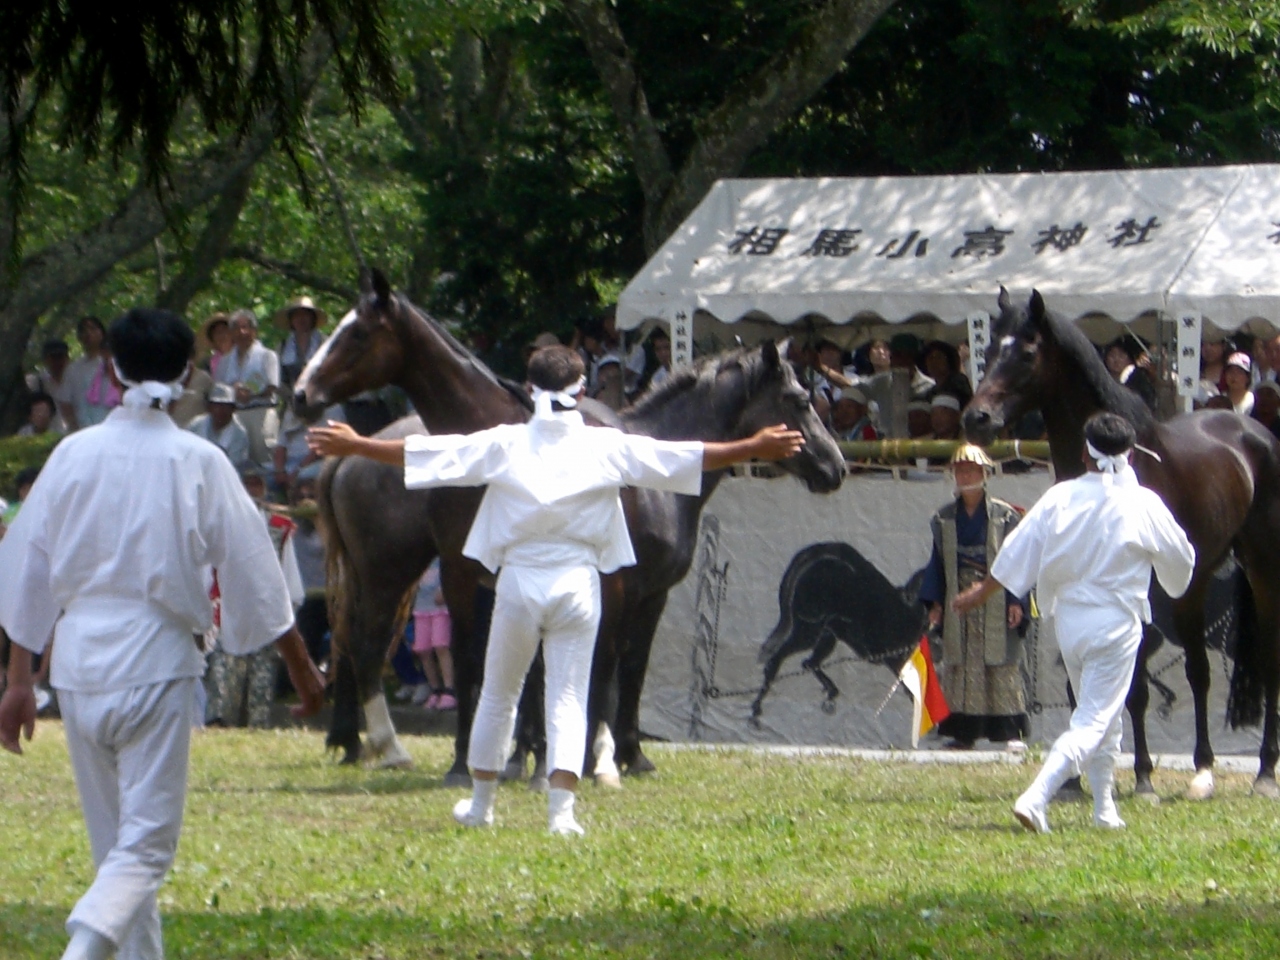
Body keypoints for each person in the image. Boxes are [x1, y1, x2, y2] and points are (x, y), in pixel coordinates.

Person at [307, 344, 804, 836]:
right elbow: (683, 456)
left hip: (520, 583)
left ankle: (481, 805)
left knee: (499, 695)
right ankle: (562, 814)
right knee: (568, 697)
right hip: (579, 586)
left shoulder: (506, 442)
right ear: (582, 391)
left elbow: (431, 454)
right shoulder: (604, 444)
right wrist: (753, 447)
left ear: (529, 390)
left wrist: (355, 445)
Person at [0, 307, 324, 960]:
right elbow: (254, 572)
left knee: (117, 848)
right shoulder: (197, 458)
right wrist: (301, 666)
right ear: (188, 372)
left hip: (79, 668)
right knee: (145, 847)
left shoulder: (71, 454)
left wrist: (16, 682)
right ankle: (83, 948)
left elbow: (26, 568)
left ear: (111, 367)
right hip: (156, 660)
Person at [953, 412, 1195, 833]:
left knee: (1101, 714)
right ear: (1131, 456)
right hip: (1115, 624)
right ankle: (1037, 795)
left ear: (1084, 453)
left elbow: (1016, 551)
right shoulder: (1143, 503)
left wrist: (981, 592)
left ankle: (1105, 808)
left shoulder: (1061, 496)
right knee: (1092, 721)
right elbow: (1182, 561)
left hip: (1070, 624)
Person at [919, 445, 1027, 750]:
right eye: (960, 470)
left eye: (972, 470)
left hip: (995, 592)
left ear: (984, 473)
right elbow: (937, 563)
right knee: (961, 663)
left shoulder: (1005, 516)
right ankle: (963, 732)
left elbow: (1018, 561)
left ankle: (1008, 731)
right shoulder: (943, 519)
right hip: (958, 593)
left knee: (1000, 662)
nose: (965, 475)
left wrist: (1016, 600)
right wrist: (936, 603)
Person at [204, 466, 305, 728]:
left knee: (259, 699)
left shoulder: (279, 528)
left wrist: (284, 620)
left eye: (256, 485)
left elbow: (290, 580)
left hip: (266, 621)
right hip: (227, 619)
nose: (251, 491)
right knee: (223, 694)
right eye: (246, 484)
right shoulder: (219, 523)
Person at [215, 308, 280, 467]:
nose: (242, 332)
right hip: (235, 415)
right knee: (235, 462)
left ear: (254, 331)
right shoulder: (225, 361)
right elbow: (218, 391)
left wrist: (251, 395)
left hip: (261, 413)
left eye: (246, 327)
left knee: (264, 460)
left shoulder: (267, 356)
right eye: (236, 328)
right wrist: (233, 392)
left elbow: (272, 386)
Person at [413, 559, 456, 711]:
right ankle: (435, 688)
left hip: (440, 607)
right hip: (421, 606)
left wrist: (445, 589)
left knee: (440, 645)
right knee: (422, 649)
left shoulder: (442, 557)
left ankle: (449, 689)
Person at [68, 316, 119, 430]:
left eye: (92, 328)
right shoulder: (74, 368)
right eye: (84, 330)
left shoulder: (119, 369)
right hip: (86, 426)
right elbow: (68, 404)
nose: (88, 333)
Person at [186, 383, 251, 470]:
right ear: (209, 407)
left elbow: (234, 466)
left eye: (225, 406)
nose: (220, 410)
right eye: (216, 405)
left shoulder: (239, 434)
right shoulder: (195, 425)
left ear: (233, 409)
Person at [275, 295, 327, 391]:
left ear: (312, 318)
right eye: (297, 315)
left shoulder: (325, 343)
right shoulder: (282, 347)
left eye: (305, 315)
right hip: (291, 401)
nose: (301, 319)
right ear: (291, 320)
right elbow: (276, 378)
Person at [26, 339, 75, 431]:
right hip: (49, 433)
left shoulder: (76, 380)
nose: (57, 362)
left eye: (60, 357)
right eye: (53, 357)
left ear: (67, 358)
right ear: (45, 360)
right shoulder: (38, 382)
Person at [1103, 335, 1157, 412]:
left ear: (1130, 359)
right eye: (1112, 355)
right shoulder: (1104, 381)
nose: (1116, 360)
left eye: (1121, 355)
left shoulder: (1138, 379)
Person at [200, 313, 233, 380]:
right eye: (217, 332)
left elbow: (257, 375)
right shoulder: (208, 363)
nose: (222, 335)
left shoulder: (245, 355)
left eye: (224, 330)